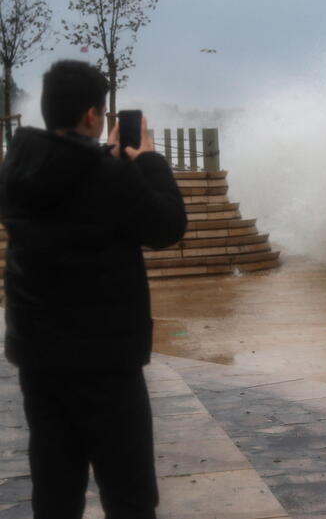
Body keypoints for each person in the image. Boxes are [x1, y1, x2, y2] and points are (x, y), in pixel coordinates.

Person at [0, 60, 186, 519]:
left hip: (40, 360)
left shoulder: (15, 170)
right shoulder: (112, 179)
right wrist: (147, 160)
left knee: (55, 487)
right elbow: (166, 226)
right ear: (91, 115)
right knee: (128, 493)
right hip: (107, 364)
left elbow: (67, 184)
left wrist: (102, 157)